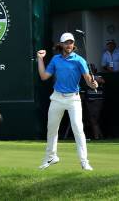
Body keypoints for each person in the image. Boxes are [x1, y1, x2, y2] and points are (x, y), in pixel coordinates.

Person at [36, 32, 98, 171]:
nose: (69, 45)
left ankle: (84, 162)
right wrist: (40, 59)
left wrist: (93, 84)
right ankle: (51, 157)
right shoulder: (56, 60)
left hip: (73, 99)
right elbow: (44, 76)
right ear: (61, 44)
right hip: (57, 97)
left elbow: (88, 80)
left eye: (71, 42)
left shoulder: (79, 60)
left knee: (78, 129)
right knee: (51, 129)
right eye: (66, 42)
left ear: (73, 44)